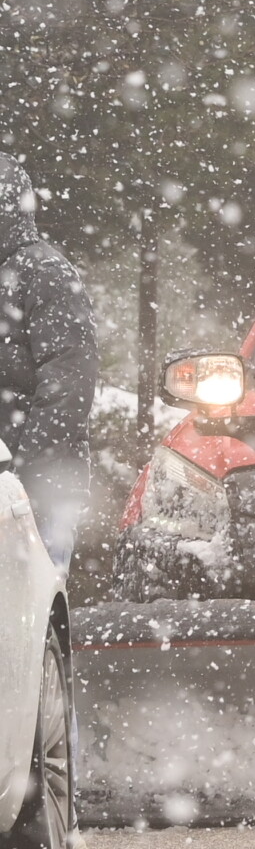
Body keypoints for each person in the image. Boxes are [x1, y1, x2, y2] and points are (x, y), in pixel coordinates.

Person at [0, 152, 97, 574]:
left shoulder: (45, 273)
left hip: (38, 485)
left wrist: (21, 475)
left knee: (34, 610)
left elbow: (68, 382)